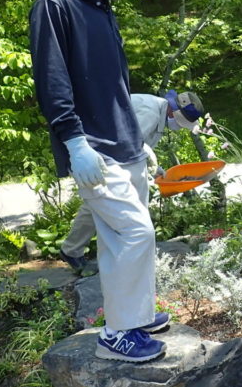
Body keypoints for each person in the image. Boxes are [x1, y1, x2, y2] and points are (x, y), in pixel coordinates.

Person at [29, 0, 168, 364]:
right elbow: (53, 84)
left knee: (118, 239)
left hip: (122, 141)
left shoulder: (101, 6)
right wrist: (74, 143)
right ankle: (118, 335)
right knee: (134, 233)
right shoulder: (55, 5)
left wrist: (137, 137)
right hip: (92, 148)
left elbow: (114, 86)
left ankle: (136, 316)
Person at [58, 90, 206, 273]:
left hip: (111, 155)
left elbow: (138, 149)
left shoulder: (158, 111)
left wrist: (159, 172)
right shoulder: (150, 113)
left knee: (103, 203)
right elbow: (132, 145)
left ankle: (78, 250)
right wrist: (153, 168)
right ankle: (79, 251)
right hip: (99, 153)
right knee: (101, 202)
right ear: (174, 113)